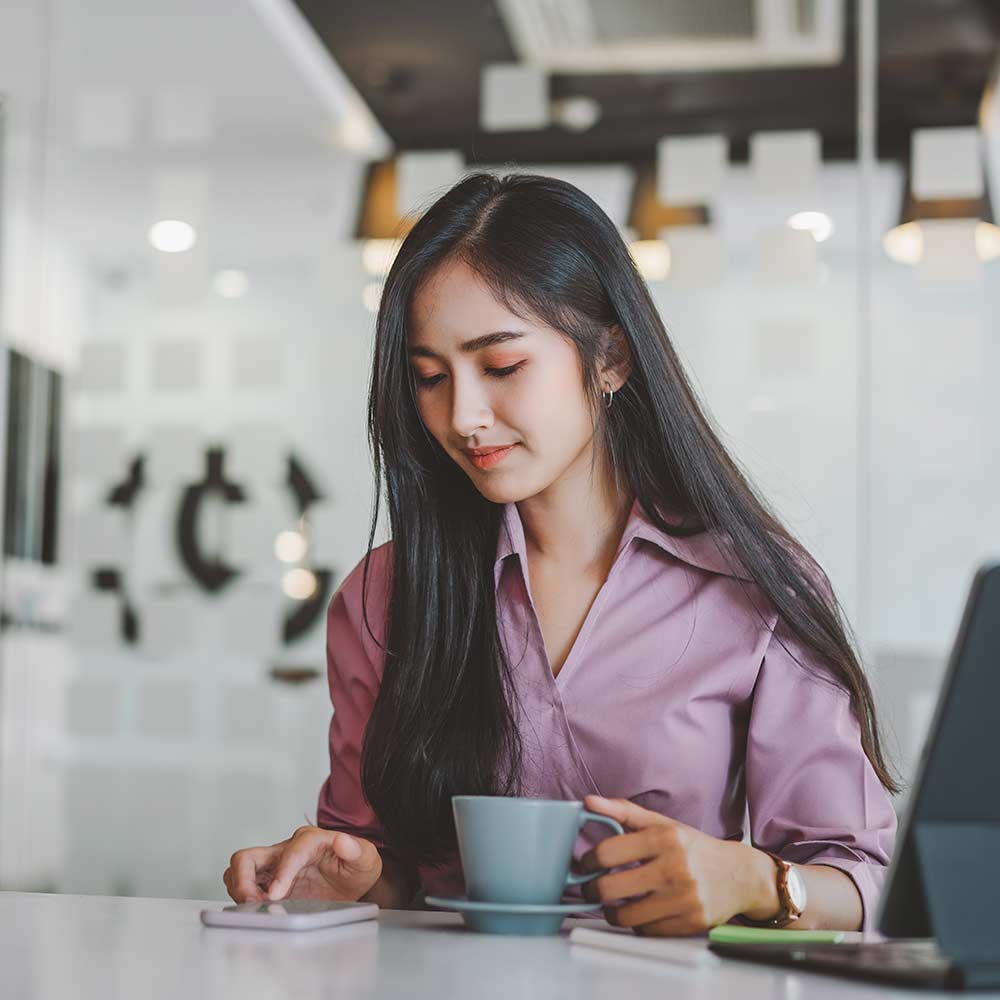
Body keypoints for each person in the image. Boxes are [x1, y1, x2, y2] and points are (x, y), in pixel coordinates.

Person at [224, 172, 899, 936]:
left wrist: (750, 880)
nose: (464, 417)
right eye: (430, 378)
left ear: (610, 359)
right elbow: (386, 873)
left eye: (503, 367)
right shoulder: (384, 597)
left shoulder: (750, 587)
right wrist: (357, 875)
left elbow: (859, 881)